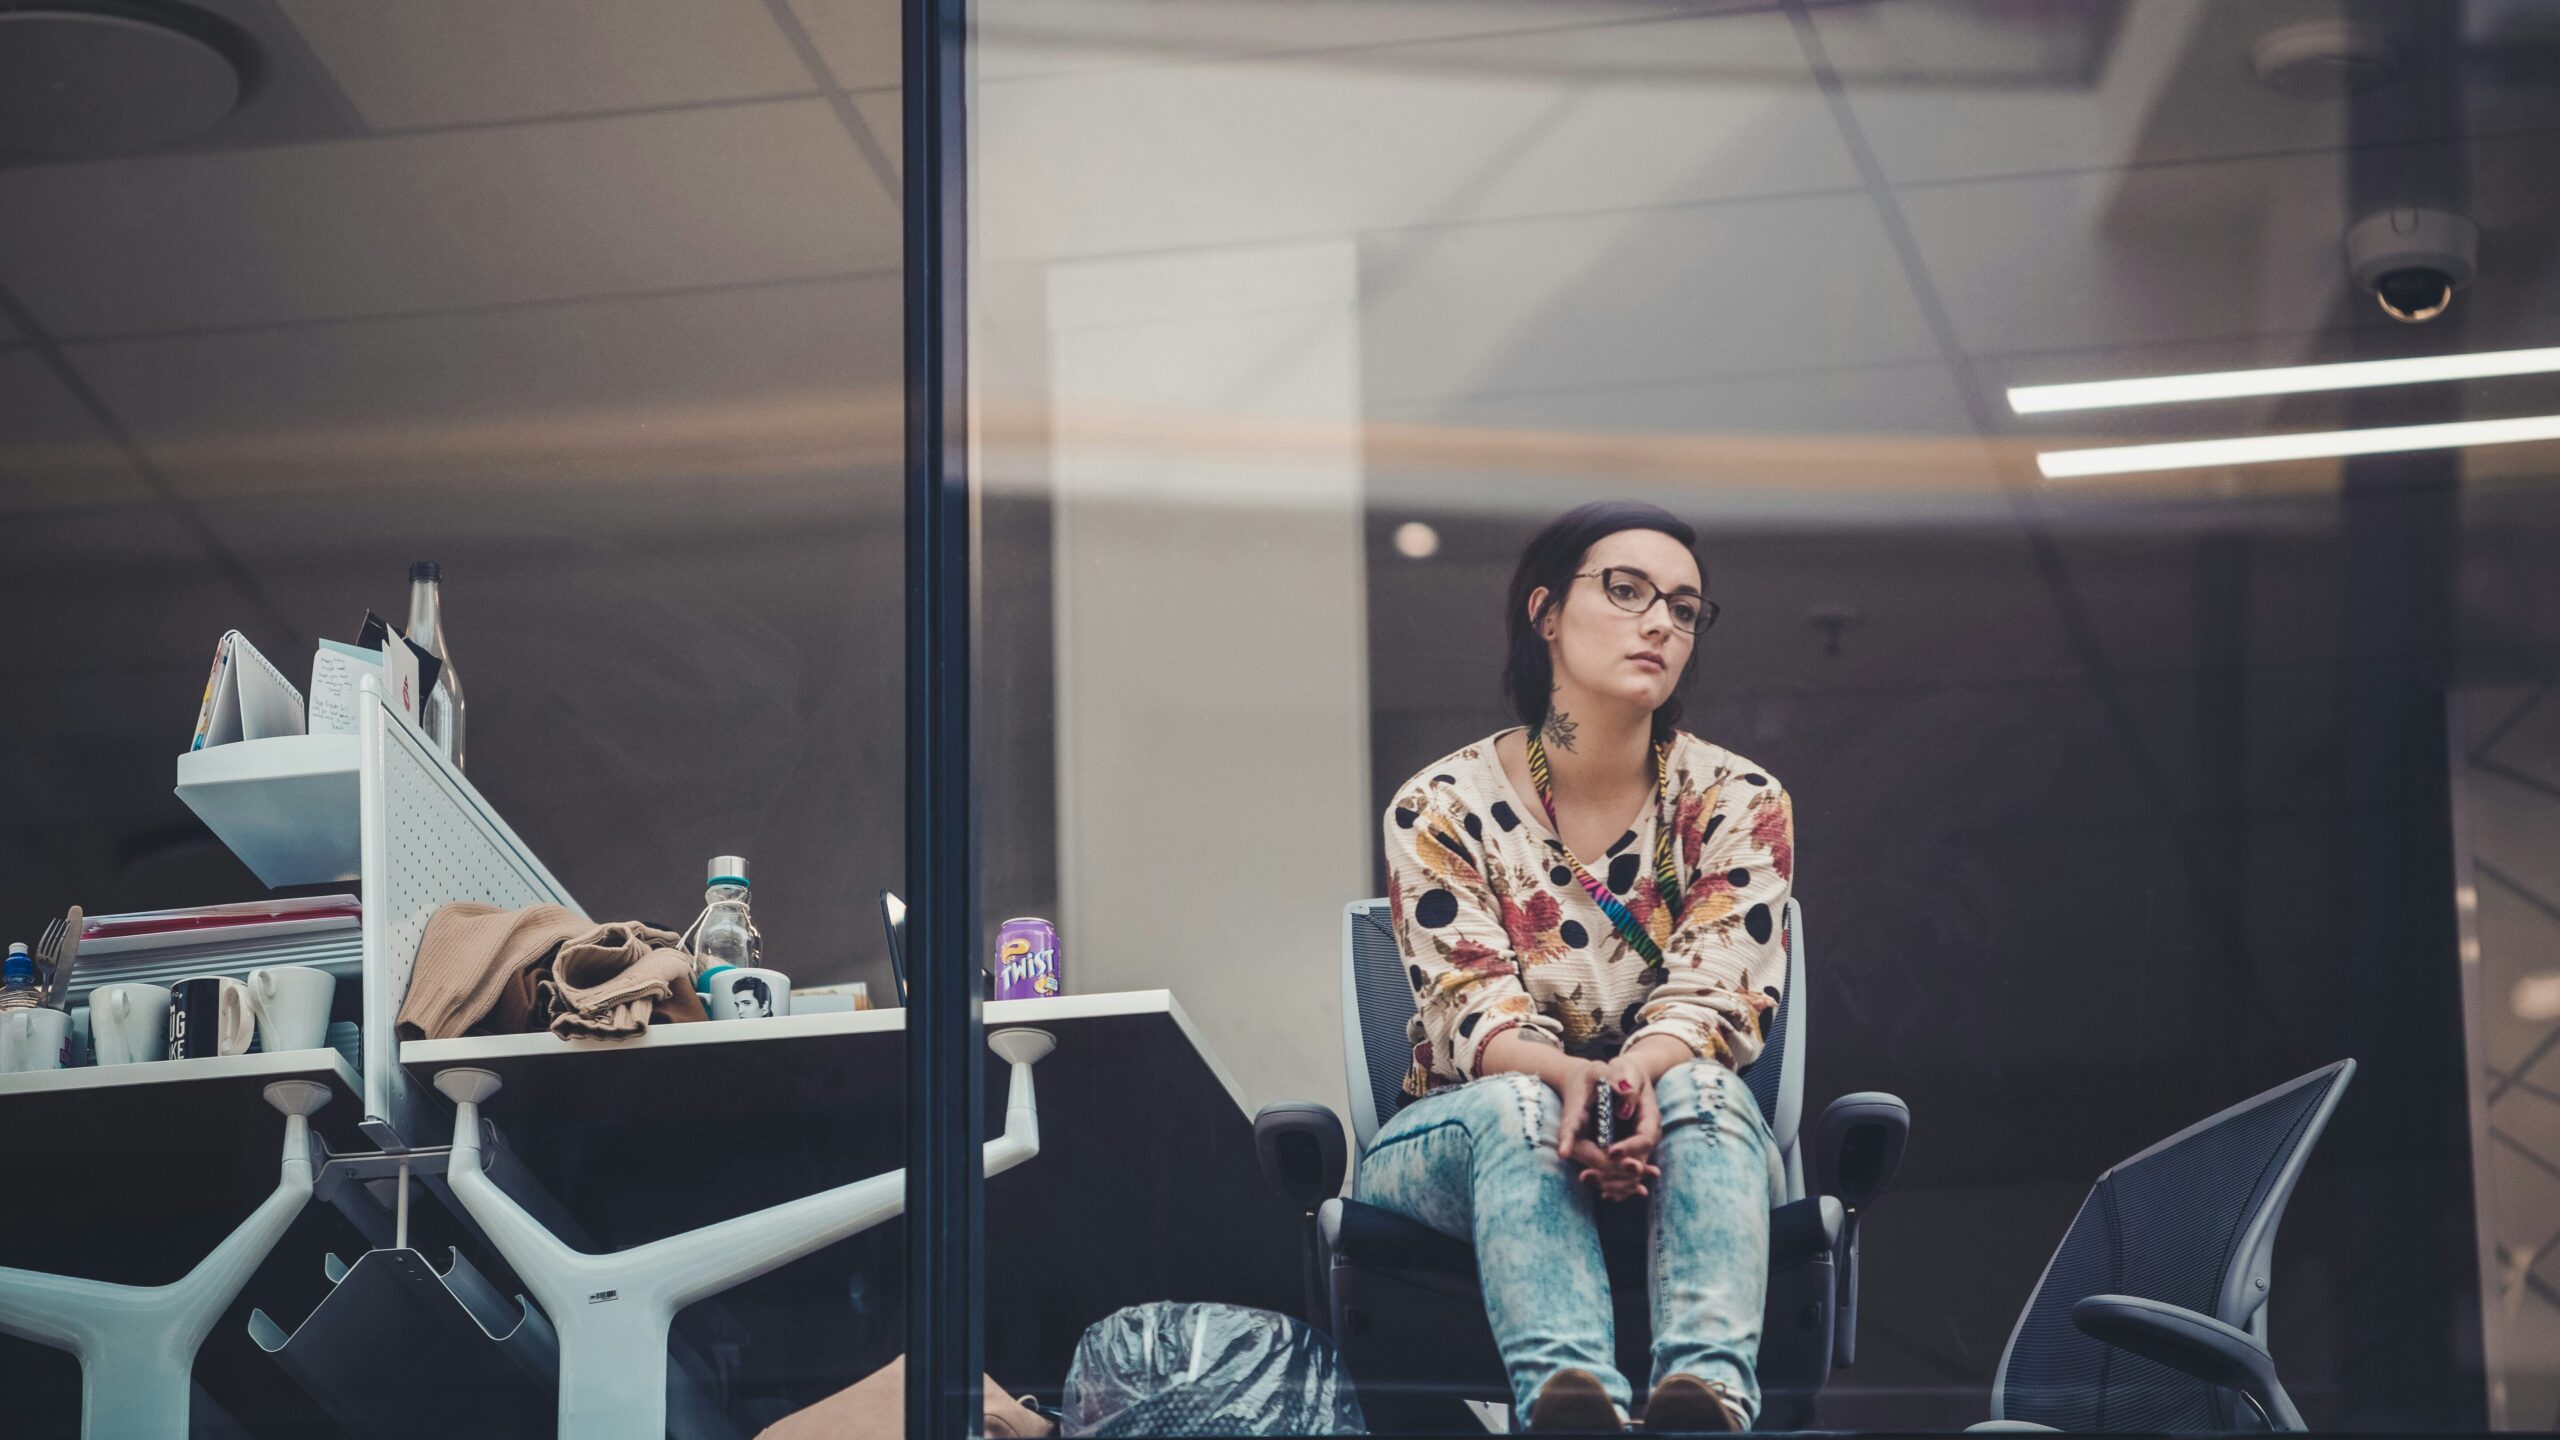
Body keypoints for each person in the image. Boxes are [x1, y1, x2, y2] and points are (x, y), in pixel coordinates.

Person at [1362, 501, 1793, 1433]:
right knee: (1522, 1106)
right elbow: (1473, 1013)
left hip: (1676, 1120)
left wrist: (1628, 1082)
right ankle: (1572, 1408)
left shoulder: (1736, 799)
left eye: (1684, 608)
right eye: (1628, 591)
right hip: (1466, 1132)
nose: (1660, 624)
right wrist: (1568, 1083)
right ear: (1546, 613)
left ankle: (1706, 1404)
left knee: (1710, 1091)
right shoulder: (1442, 804)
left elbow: (1720, 997)